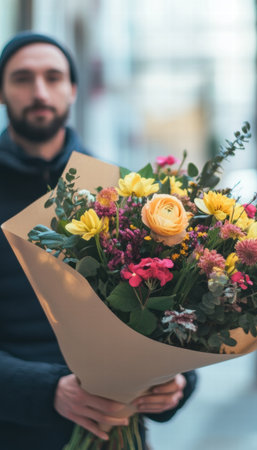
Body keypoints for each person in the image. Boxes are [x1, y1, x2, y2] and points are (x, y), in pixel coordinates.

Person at [0, 31, 197, 450]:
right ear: (2, 91)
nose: (39, 91)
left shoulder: (119, 190)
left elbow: (174, 312)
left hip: (116, 435)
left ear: (72, 90)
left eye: (53, 77)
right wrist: (45, 391)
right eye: (22, 78)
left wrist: (176, 383)